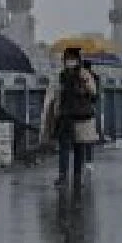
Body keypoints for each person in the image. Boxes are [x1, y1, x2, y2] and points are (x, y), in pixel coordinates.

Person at [41, 47, 98, 188]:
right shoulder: (61, 75)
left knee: (79, 148)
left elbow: (94, 93)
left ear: (77, 60)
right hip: (65, 116)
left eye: (71, 58)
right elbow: (55, 94)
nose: (69, 61)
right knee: (64, 148)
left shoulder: (84, 74)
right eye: (67, 59)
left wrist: (84, 83)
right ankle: (63, 177)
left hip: (80, 116)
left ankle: (77, 178)